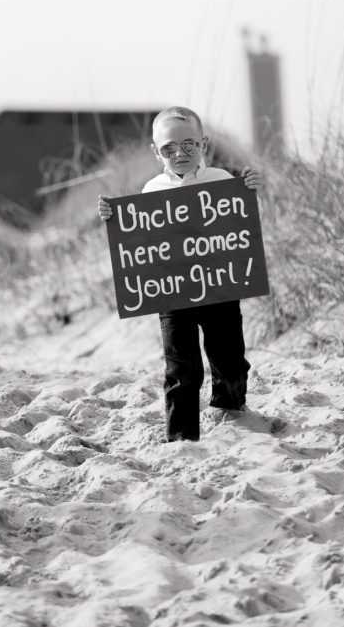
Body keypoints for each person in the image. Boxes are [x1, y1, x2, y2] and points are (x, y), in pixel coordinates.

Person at [97, 106, 263, 442]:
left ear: (203, 144)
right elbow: (141, 244)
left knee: (229, 358)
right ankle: (182, 438)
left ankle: (231, 409)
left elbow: (241, 231)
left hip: (220, 287)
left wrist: (251, 193)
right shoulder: (151, 191)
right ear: (156, 152)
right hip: (172, 293)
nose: (181, 154)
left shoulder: (222, 180)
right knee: (180, 369)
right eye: (170, 148)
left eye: (189, 145)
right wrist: (113, 219)